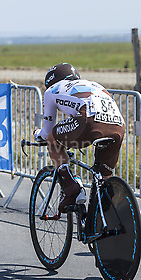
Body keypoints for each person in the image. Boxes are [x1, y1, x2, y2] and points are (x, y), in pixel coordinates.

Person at [34, 63, 125, 213]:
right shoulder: (94, 84)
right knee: (103, 177)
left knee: (52, 139)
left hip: (89, 122)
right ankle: (104, 218)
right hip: (118, 126)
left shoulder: (51, 91)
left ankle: (71, 185)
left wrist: (38, 134)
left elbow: (47, 131)